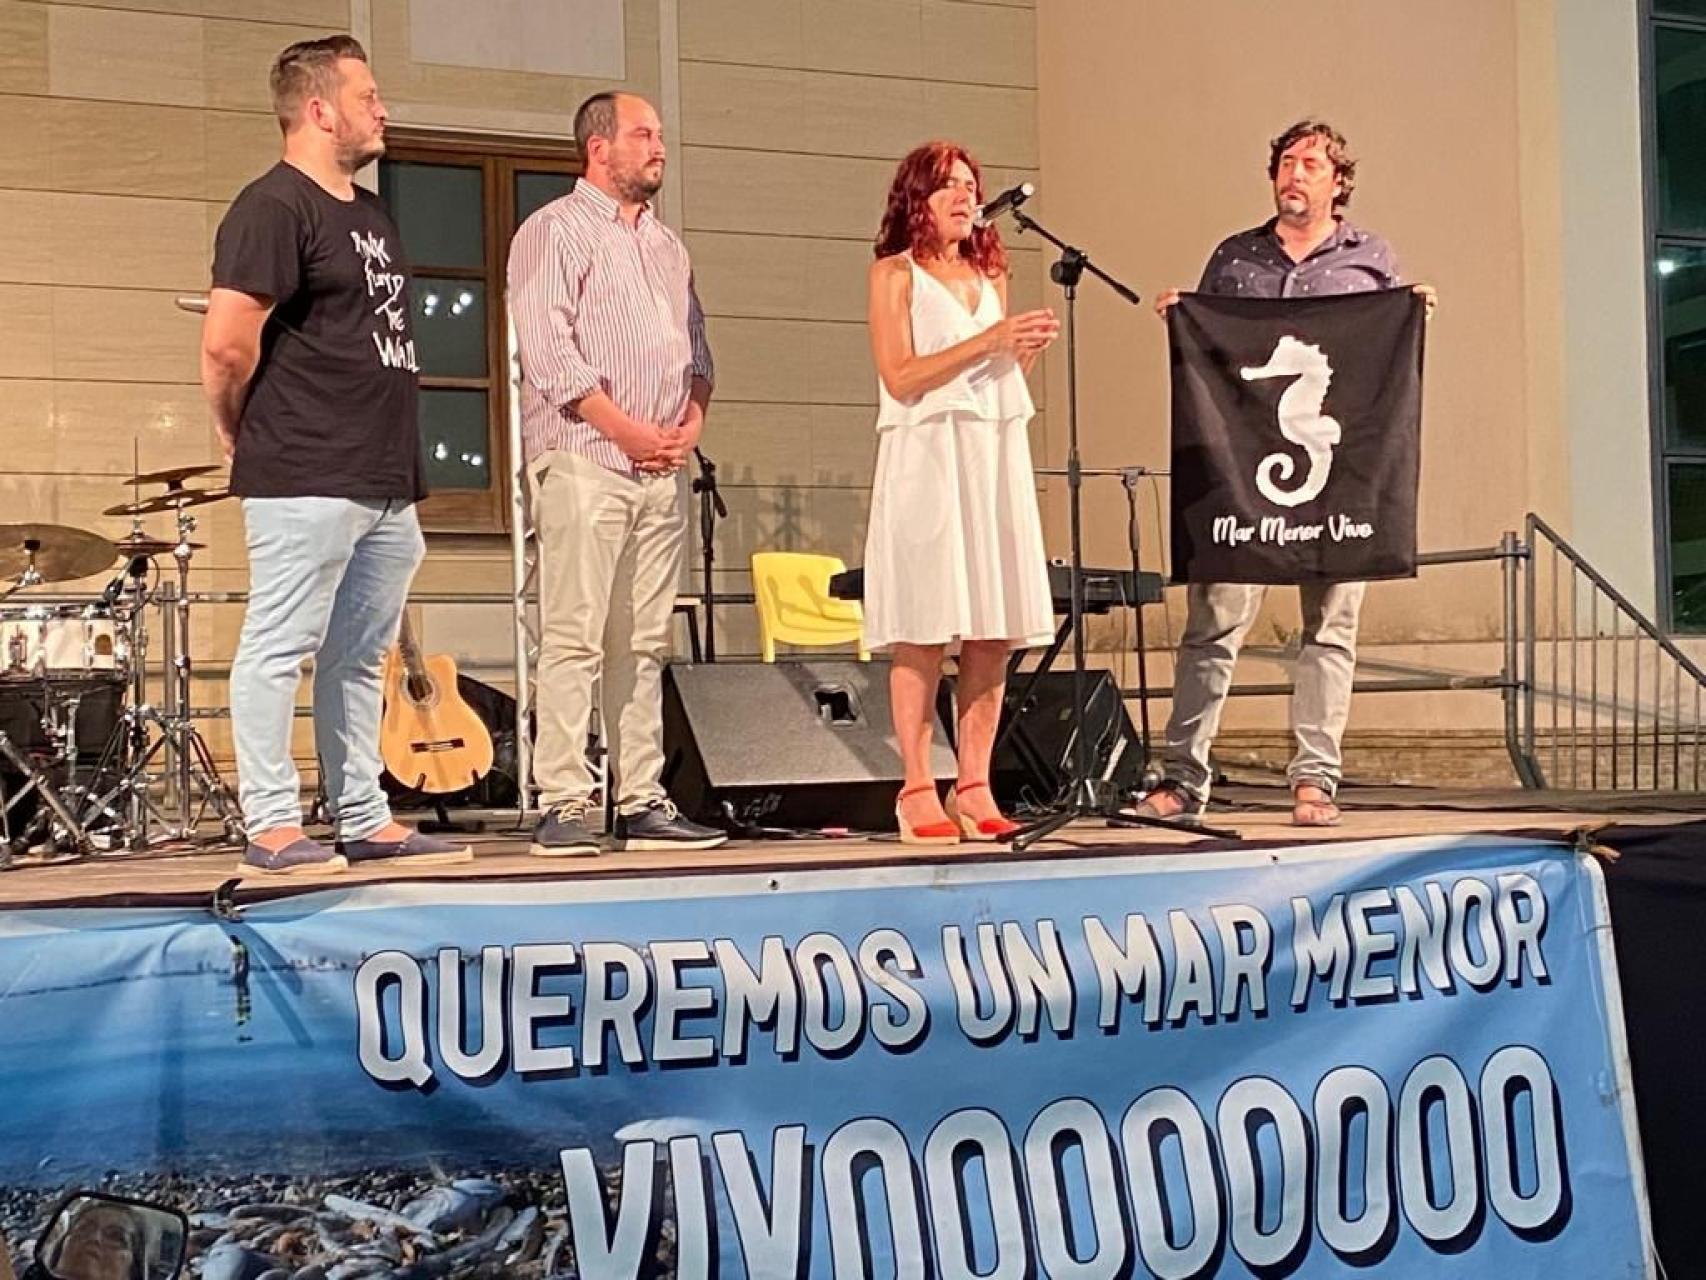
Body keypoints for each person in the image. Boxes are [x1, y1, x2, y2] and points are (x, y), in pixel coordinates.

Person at [202, 36, 470, 874]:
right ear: (319, 109)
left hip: (384, 476)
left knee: (360, 658)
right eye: (367, 95)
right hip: (307, 468)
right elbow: (226, 345)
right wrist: (235, 427)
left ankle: (362, 814)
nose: (383, 108)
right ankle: (273, 823)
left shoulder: (370, 214)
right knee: (279, 645)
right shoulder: (273, 207)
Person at [1142, 118, 1436, 828]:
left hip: (1340, 476)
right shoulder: (1235, 258)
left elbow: (1379, 360)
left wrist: (1410, 311)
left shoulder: (1370, 258)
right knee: (1213, 624)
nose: (1294, 174)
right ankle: (1183, 778)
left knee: (1330, 627)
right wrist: (1186, 316)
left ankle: (1315, 781)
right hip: (1240, 475)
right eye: (1286, 162)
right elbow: (1215, 358)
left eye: (1310, 163)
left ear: (1339, 181)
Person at [508, 92, 727, 856]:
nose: (659, 146)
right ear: (599, 148)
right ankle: (563, 799)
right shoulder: (554, 230)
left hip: (658, 467)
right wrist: (628, 431)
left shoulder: (668, 247)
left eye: (660, 134)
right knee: (574, 635)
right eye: (643, 134)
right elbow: (549, 351)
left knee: (643, 640)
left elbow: (696, 349)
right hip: (585, 459)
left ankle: (640, 797)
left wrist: (689, 423)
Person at [863, 141, 1060, 844]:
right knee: (923, 627)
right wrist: (989, 341)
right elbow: (901, 376)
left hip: (989, 455)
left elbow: (993, 384)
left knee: (991, 628)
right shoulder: (895, 273)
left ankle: (974, 783)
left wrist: (1019, 352)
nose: (963, 196)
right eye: (947, 185)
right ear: (916, 198)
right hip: (926, 457)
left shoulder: (990, 273)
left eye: (970, 185)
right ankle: (916, 786)